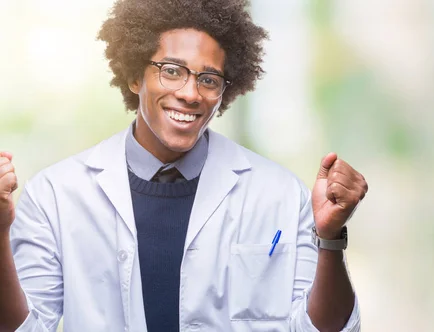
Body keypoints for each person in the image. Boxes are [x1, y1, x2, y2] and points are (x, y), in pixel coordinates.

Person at [0, 0, 368, 331]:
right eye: (172, 70)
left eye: (208, 79)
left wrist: (331, 240)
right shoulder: (56, 195)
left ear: (225, 91)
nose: (191, 94)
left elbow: (324, 331)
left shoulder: (280, 194)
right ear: (133, 76)